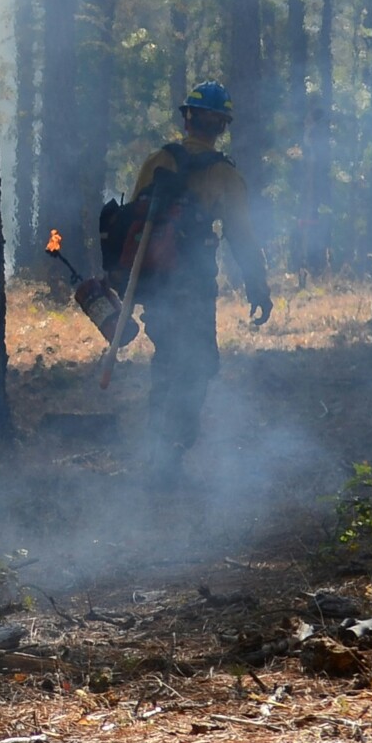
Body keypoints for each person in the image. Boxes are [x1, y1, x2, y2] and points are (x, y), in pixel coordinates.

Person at [122, 82, 271, 476]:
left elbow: (132, 224)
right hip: (192, 288)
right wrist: (258, 287)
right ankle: (168, 455)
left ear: (186, 119)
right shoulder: (224, 175)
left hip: (155, 287)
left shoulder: (157, 162)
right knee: (197, 364)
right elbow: (242, 237)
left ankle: (158, 452)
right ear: (220, 125)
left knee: (168, 362)